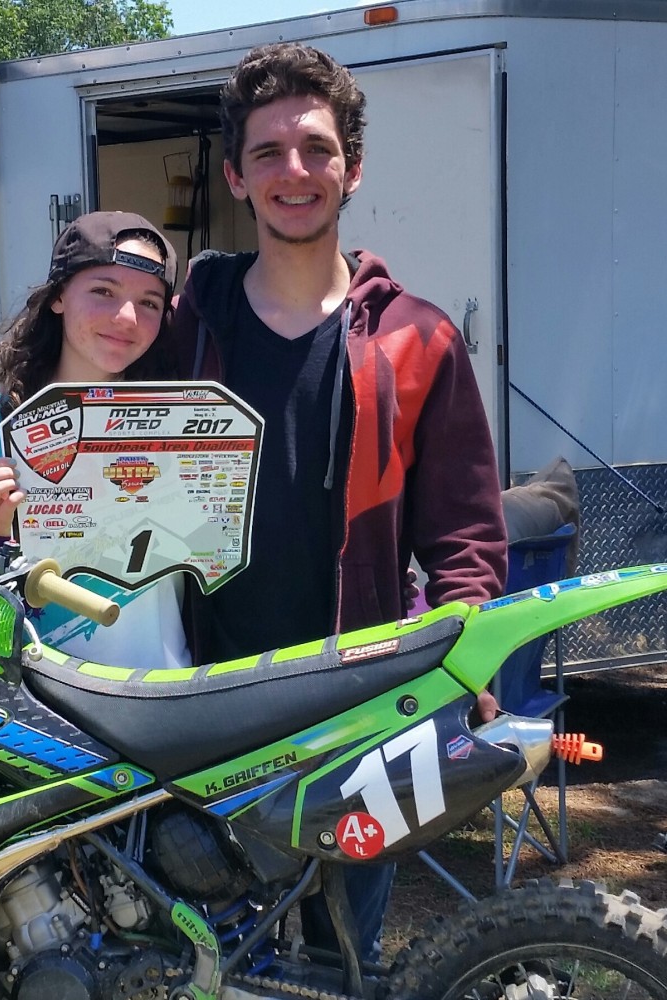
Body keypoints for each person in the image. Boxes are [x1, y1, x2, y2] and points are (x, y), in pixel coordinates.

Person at [170, 43, 508, 962]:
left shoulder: (417, 338)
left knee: (340, 965)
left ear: (351, 169)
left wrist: (461, 667)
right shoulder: (191, 326)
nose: (295, 171)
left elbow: (466, 537)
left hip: (363, 712)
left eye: (317, 148)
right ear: (235, 176)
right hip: (203, 716)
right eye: (269, 152)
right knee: (211, 962)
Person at [0, 210, 190, 669]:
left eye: (149, 302)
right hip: (35, 699)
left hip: (161, 692)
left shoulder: (184, 427)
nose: (127, 317)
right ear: (58, 296)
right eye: (103, 291)